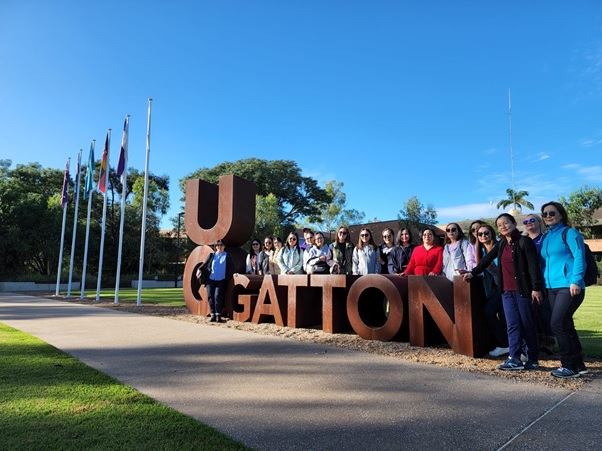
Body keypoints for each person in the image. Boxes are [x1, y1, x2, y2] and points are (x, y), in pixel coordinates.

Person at [462, 213, 543, 371]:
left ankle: (532, 358)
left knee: (527, 324)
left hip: (523, 291)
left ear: (513, 223)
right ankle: (514, 358)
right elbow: (486, 260)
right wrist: (473, 272)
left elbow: (533, 266)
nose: (503, 226)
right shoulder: (501, 245)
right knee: (512, 325)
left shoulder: (524, 241)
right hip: (506, 291)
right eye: (500, 225)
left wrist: (536, 288)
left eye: (506, 223)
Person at [540, 201, 588, 378]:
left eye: (552, 213)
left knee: (557, 324)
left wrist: (576, 280)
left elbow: (579, 257)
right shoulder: (546, 237)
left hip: (569, 286)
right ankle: (578, 364)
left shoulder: (570, 233)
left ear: (561, 214)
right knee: (566, 324)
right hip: (551, 288)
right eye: (544, 214)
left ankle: (568, 366)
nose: (548, 216)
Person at [523, 213, 555, 355]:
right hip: (527, 281)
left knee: (544, 311)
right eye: (526, 221)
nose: (529, 223)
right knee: (532, 312)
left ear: (539, 222)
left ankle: (549, 342)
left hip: (544, 279)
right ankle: (536, 340)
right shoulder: (523, 240)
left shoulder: (546, 238)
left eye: (532, 220)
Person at [475, 223, 509, 357]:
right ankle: (506, 344)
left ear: (492, 234)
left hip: (506, 287)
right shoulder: (482, 250)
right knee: (502, 316)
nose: (483, 236)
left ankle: (505, 343)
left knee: (489, 312)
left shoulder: (499, 247)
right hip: (494, 289)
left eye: (486, 233)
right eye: (480, 234)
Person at [196, 240, 234, 323]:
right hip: (211, 279)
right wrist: (199, 269)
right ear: (216, 246)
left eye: (221, 245)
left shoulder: (227, 256)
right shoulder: (212, 255)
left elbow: (231, 268)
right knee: (210, 296)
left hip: (221, 280)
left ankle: (218, 315)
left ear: (224, 246)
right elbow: (204, 265)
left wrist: (229, 277)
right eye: (218, 245)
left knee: (217, 296)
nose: (219, 247)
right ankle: (212, 314)